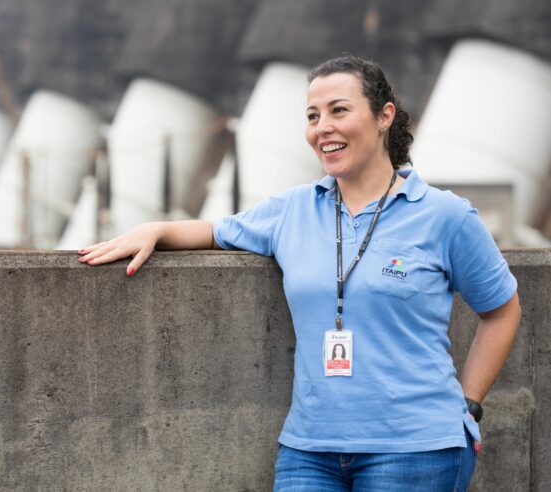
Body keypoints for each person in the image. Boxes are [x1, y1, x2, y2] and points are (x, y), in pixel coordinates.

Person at [78, 54, 521, 491]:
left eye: (339, 110)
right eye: (313, 115)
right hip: (309, 452)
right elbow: (216, 230)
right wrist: (156, 229)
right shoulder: (292, 209)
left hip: (416, 449)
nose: (322, 127)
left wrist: (469, 405)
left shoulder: (445, 215)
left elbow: (502, 310)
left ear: (385, 116)